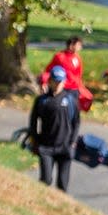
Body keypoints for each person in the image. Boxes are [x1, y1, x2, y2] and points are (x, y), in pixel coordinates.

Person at [27, 64, 82, 192]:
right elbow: (33, 122)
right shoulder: (42, 100)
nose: (57, 84)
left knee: (62, 186)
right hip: (46, 147)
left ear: (64, 82)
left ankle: (60, 210)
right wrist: (35, 141)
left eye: (60, 81)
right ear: (50, 81)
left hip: (65, 147)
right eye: (55, 81)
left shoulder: (70, 100)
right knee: (45, 181)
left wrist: (72, 142)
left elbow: (76, 122)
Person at [39, 36, 92, 110]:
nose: (80, 47)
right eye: (79, 45)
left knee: (73, 111)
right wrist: (44, 82)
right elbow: (49, 71)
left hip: (74, 90)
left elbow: (79, 75)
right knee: (62, 110)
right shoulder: (60, 56)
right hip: (63, 89)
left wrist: (81, 88)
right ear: (71, 45)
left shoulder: (77, 58)